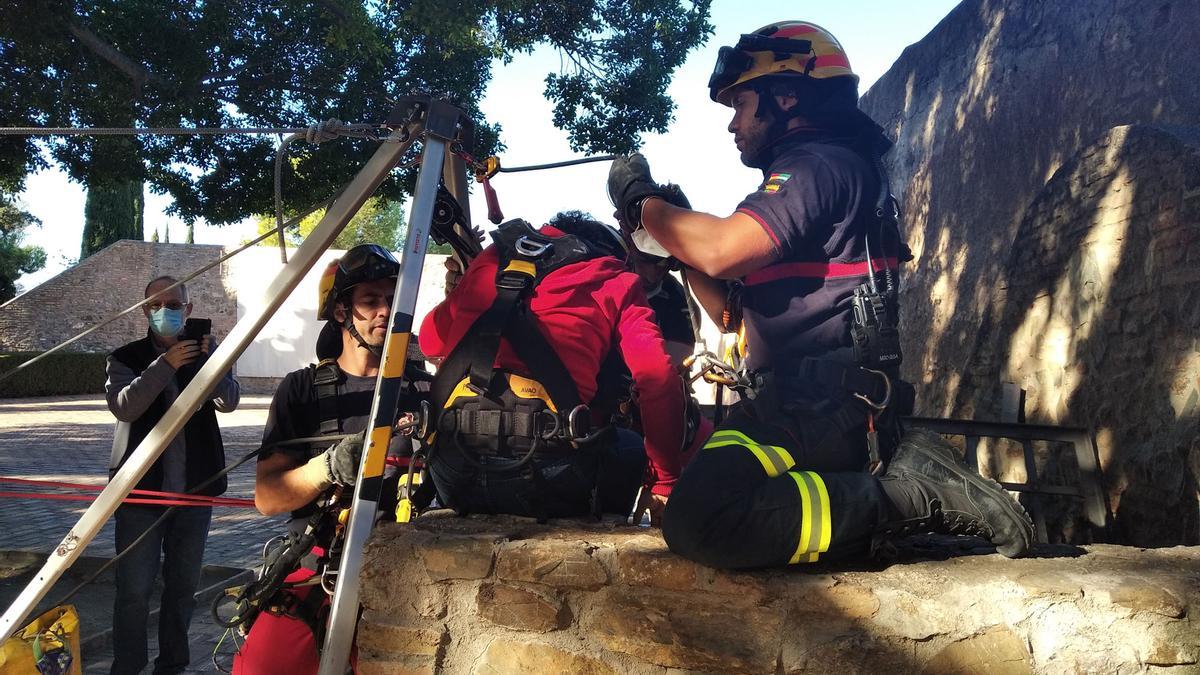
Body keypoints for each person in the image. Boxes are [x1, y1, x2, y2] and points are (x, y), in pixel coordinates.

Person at [607, 20, 1034, 568]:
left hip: (826, 406)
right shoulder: (815, 172)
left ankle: (915, 497)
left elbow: (721, 249)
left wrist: (642, 203)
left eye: (740, 104)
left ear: (786, 95)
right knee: (701, 501)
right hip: (789, 404)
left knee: (703, 518)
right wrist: (677, 252)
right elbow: (732, 313)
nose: (731, 125)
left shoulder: (818, 165)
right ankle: (895, 494)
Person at [418, 212, 691, 525]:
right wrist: (665, 481)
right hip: (548, 481)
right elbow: (658, 380)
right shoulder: (614, 278)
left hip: (454, 474)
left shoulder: (491, 259)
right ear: (611, 252)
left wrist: (462, 295)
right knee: (628, 445)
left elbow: (429, 341)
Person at [236, 244, 424, 674]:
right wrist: (327, 467)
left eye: (392, 300)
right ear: (341, 312)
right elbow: (267, 497)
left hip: (403, 572)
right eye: (371, 301)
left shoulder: (424, 391)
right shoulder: (302, 391)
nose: (385, 311)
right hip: (318, 567)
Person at [105, 275, 240, 675]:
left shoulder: (207, 354)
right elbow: (125, 407)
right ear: (145, 311)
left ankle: (173, 666)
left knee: (182, 590)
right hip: (140, 496)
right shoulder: (124, 357)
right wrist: (164, 366)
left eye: (175, 304)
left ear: (189, 309)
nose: (167, 312)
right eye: (157, 306)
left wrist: (210, 362)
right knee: (133, 591)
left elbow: (229, 401)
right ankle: (127, 668)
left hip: (194, 494)